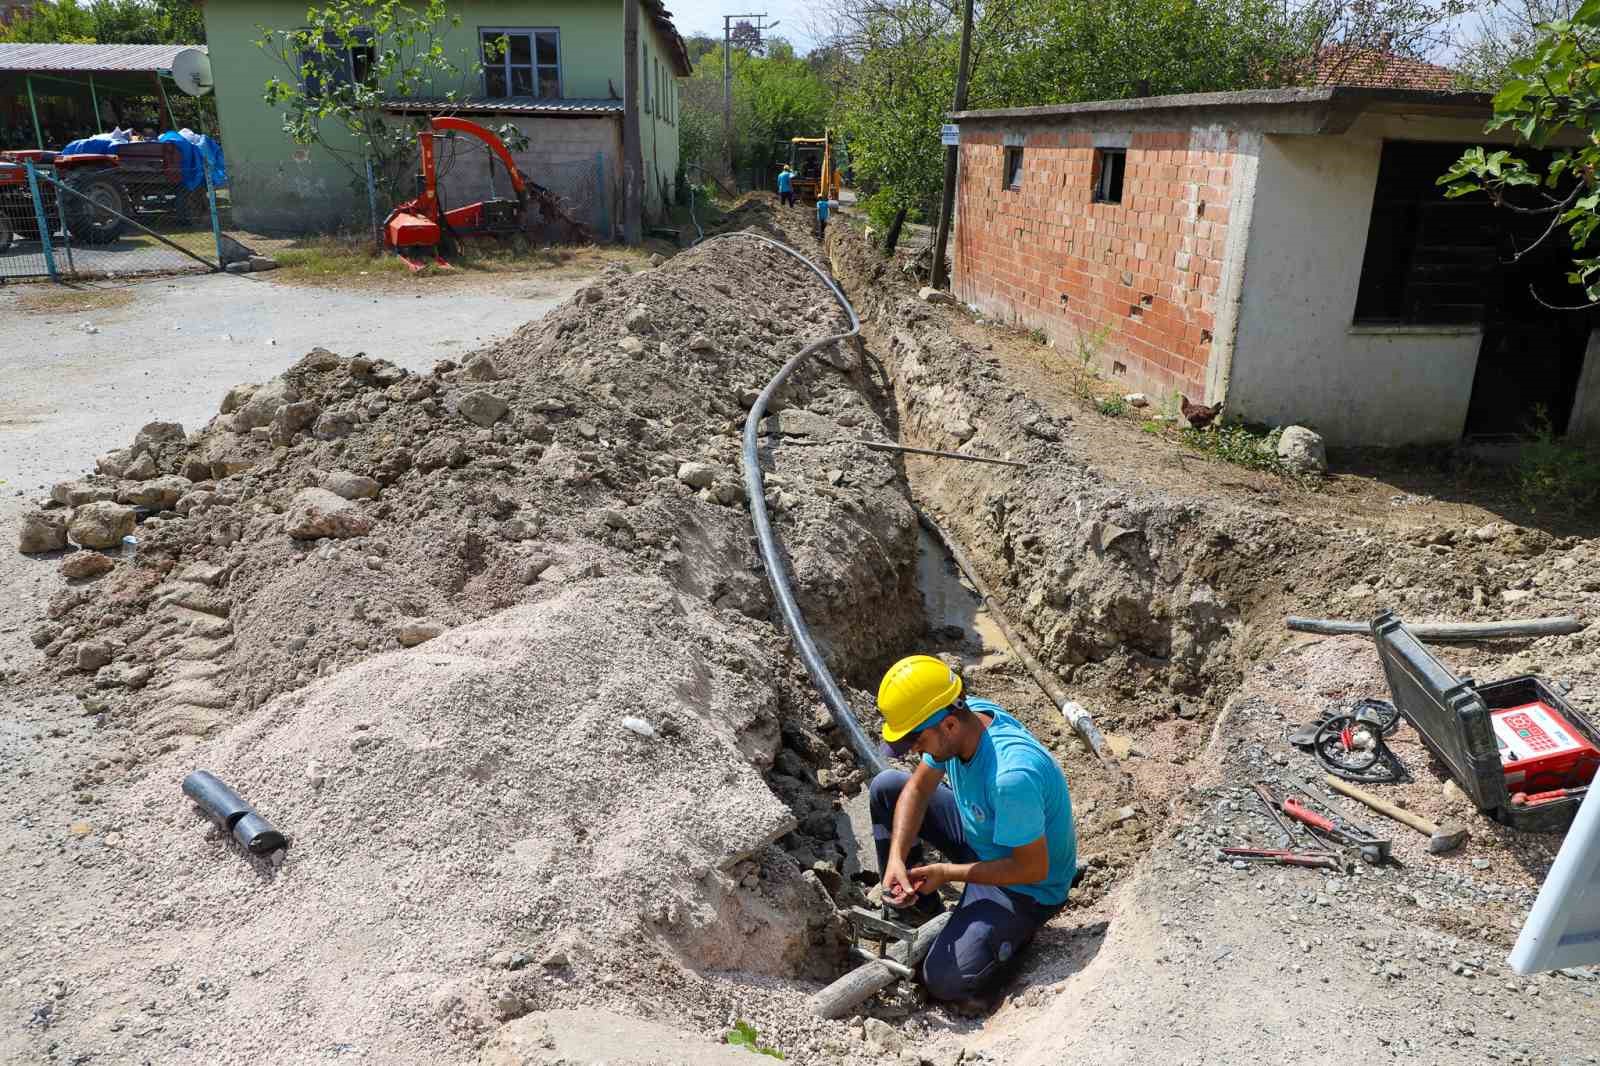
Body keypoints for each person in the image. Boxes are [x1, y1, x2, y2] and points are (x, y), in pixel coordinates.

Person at [870, 654, 1076, 1007]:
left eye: (917, 739)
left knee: (946, 980)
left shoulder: (1011, 777)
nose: (915, 749)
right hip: (986, 836)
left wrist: (947, 873)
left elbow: (1032, 869)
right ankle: (921, 908)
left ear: (948, 725)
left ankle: (1010, 940)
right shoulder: (964, 718)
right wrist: (896, 860)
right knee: (887, 786)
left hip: (1026, 885)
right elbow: (917, 789)